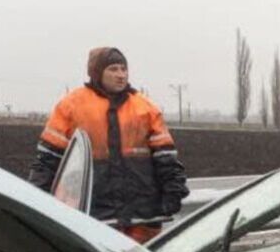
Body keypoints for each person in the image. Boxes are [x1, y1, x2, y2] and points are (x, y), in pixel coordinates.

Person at [28, 46, 190, 241]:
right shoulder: (70, 106)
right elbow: (48, 159)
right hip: (93, 215)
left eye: (123, 69)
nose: (121, 75)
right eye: (113, 69)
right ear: (97, 72)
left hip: (142, 215)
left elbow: (166, 158)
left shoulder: (145, 108)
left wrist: (173, 194)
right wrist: (37, 200)